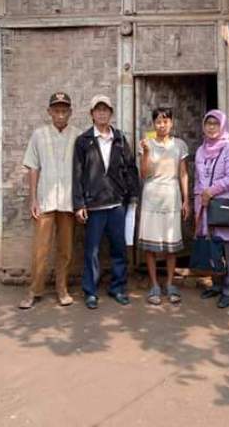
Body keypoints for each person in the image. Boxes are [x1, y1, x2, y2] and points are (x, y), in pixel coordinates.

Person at [73, 95, 141, 309]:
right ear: (92, 114)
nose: (102, 113)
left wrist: (133, 195)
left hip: (116, 204)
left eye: (106, 110)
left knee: (119, 249)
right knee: (91, 250)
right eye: (98, 110)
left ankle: (118, 287)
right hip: (94, 206)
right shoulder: (83, 141)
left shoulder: (119, 138)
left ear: (111, 113)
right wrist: (79, 204)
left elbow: (130, 167)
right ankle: (90, 291)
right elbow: (77, 173)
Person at [18, 92, 79, 310]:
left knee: (66, 249)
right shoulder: (39, 135)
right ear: (49, 112)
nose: (60, 114)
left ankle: (62, 289)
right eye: (56, 110)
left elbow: (81, 171)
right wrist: (33, 198)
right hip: (45, 200)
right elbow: (33, 167)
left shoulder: (77, 136)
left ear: (70, 112)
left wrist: (80, 202)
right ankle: (34, 290)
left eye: (64, 110)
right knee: (40, 249)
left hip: (68, 202)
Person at [194, 109, 229, 309]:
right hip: (206, 207)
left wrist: (211, 191)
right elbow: (198, 181)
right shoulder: (200, 150)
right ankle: (216, 284)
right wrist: (198, 204)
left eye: (215, 124)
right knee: (212, 248)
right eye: (208, 124)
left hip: (225, 206)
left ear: (222, 126)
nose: (211, 128)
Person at [138, 107, 190, 305]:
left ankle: (170, 284)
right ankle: (154, 285)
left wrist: (186, 199)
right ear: (154, 124)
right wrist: (146, 153)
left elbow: (183, 174)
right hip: (151, 197)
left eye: (165, 121)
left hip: (172, 197)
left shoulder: (179, 145)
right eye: (158, 121)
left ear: (171, 123)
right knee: (150, 246)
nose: (162, 125)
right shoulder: (147, 144)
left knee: (170, 246)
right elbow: (144, 174)